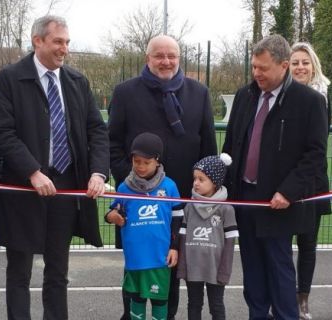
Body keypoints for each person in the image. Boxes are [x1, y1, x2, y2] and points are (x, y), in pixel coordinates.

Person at [0, 15, 109, 320]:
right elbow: (2, 132)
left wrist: (97, 173)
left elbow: (97, 130)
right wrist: (32, 171)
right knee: (19, 273)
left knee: (57, 272)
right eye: (58, 41)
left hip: (66, 189)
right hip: (24, 191)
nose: (64, 48)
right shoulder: (10, 78)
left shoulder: (77, 82)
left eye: (67, 42)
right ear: (37, 40)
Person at [108, 34, 217, 319]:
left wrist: (202, 189)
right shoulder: (125, 93)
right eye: (159, 56)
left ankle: (165, 316)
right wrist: (132, 185)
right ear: (148, 58)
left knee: (171, 263)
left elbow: (208, 148)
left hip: (179, 199)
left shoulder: (199, 93)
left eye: (172, 56)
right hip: (137, 199)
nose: (166, 61)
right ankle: (131, 315)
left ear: (179, 59)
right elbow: (112, 143)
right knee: (136, 263)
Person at [221, 34, 328, 320]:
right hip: (245, 198)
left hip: (279, 200)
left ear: (284, 66)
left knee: (279, 267)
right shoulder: (245, 96)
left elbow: (314, 156)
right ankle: (257, 315)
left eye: (263, 68)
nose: (257, 73)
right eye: (254, 67)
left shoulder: (310, 102)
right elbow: (231, 145)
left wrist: (288, 192)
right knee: (252, 267)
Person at [105, 132, 181, 320]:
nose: (140, 166)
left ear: (157, 160)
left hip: (160, 259)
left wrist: (174, 247)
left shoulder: (169, 187)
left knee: (159, 303)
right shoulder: (124, 187)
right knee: (136, 300)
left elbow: (179, 219)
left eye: (146, 162)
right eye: (136, 161)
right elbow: (111, 213)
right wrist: (112, 216)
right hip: (135, 259)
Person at [288, 41, 332, 320]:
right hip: (280, 182)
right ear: (286, 66)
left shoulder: (320, 97)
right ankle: (280, 296)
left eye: (305, 62)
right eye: (295, 62)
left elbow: (317, 146)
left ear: (313, 65)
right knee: (279, 244)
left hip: (312, 181)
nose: (300, 67)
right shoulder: (277, 94)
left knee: (308, 244)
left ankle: (302, 300)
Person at [177, 153, 238, 320]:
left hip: (216, 269)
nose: (196, 183)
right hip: (193, 268)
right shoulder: (189, 207)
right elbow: (182, 239)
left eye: (201, 179)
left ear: (215, 182)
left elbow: (230, 244)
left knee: (216, 306)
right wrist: (183, 267)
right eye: (194, 178)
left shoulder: (227, 209)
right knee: (194, 304)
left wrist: (224, 272)